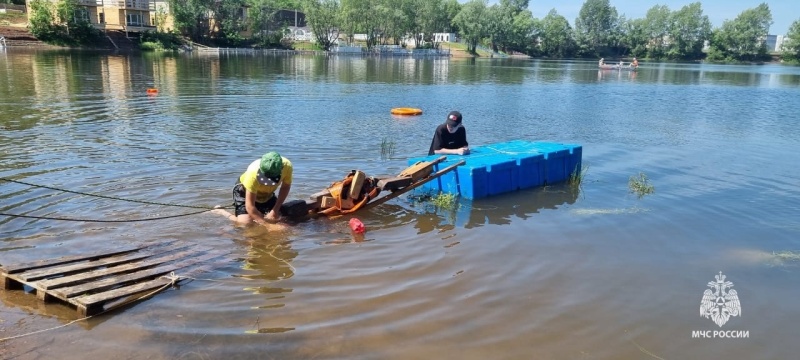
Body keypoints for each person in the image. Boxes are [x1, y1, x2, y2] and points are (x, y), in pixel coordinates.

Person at [211, 151, 293, 227]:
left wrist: (275, 210)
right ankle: (221, 211)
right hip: (244, 191)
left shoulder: (287, 166)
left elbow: (285, 187)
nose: (267, 182)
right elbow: (250, 206)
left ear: (281, 168)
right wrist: (268, 226)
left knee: (280, 218)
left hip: (266, 194)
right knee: (245, 223)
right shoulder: (252, 173)